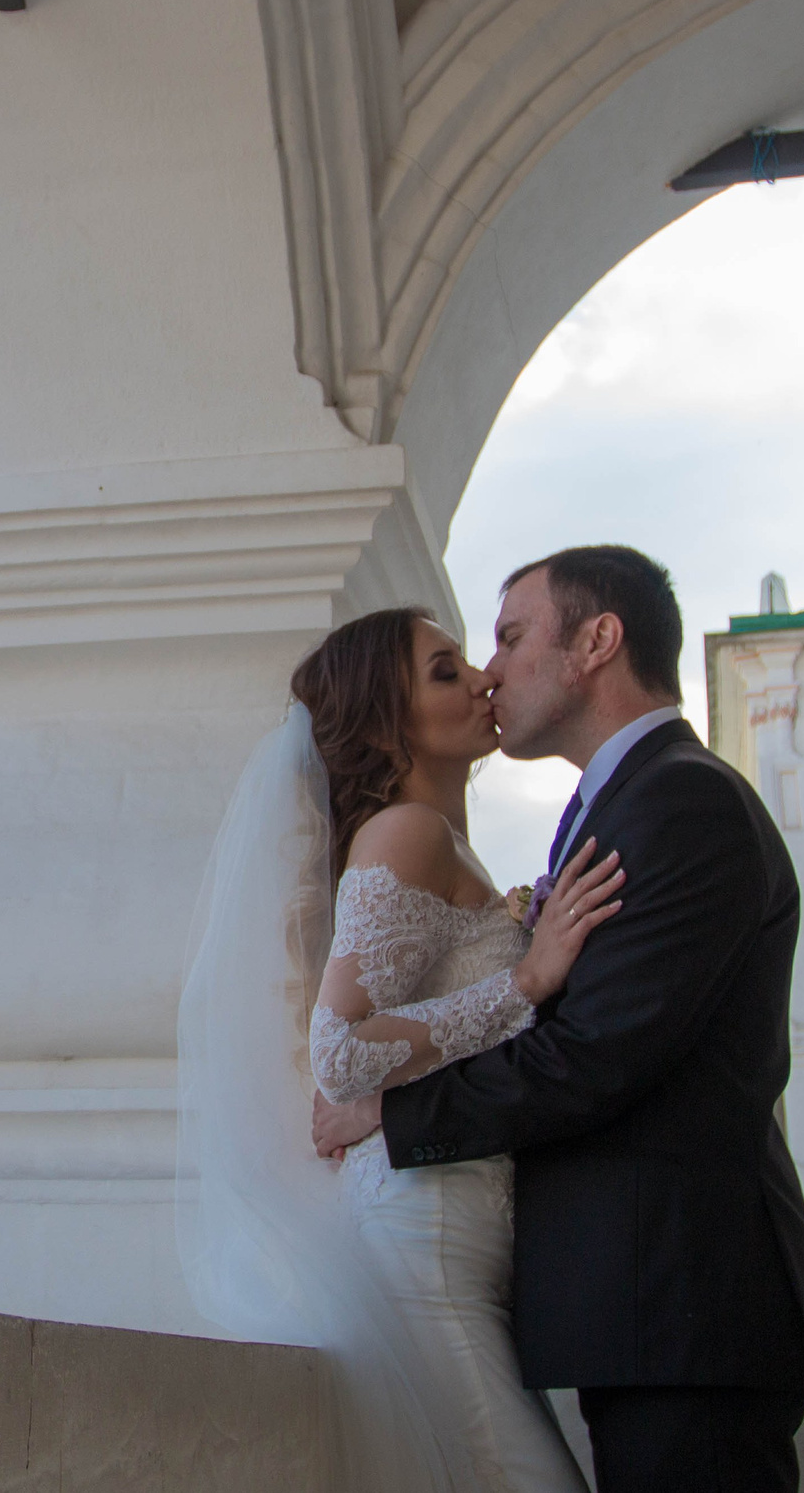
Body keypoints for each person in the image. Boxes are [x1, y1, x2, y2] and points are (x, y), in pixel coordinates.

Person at [311, 546, 804, 1491]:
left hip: (685, 1306)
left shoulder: (682, 800)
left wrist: (395, 1117)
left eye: (511, 637)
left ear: (596, 642)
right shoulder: (622, 805)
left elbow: (597, 1053)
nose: (491, 670)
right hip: (638, 1310)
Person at [177, 604, 624, 1492]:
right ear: (391, 717)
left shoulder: (439, 841)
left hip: (459, 1223)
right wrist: (524, 982)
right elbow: (341, 1050)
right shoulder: (407, 833)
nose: (484, 681)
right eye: (446, 671)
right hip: (426, 1234)